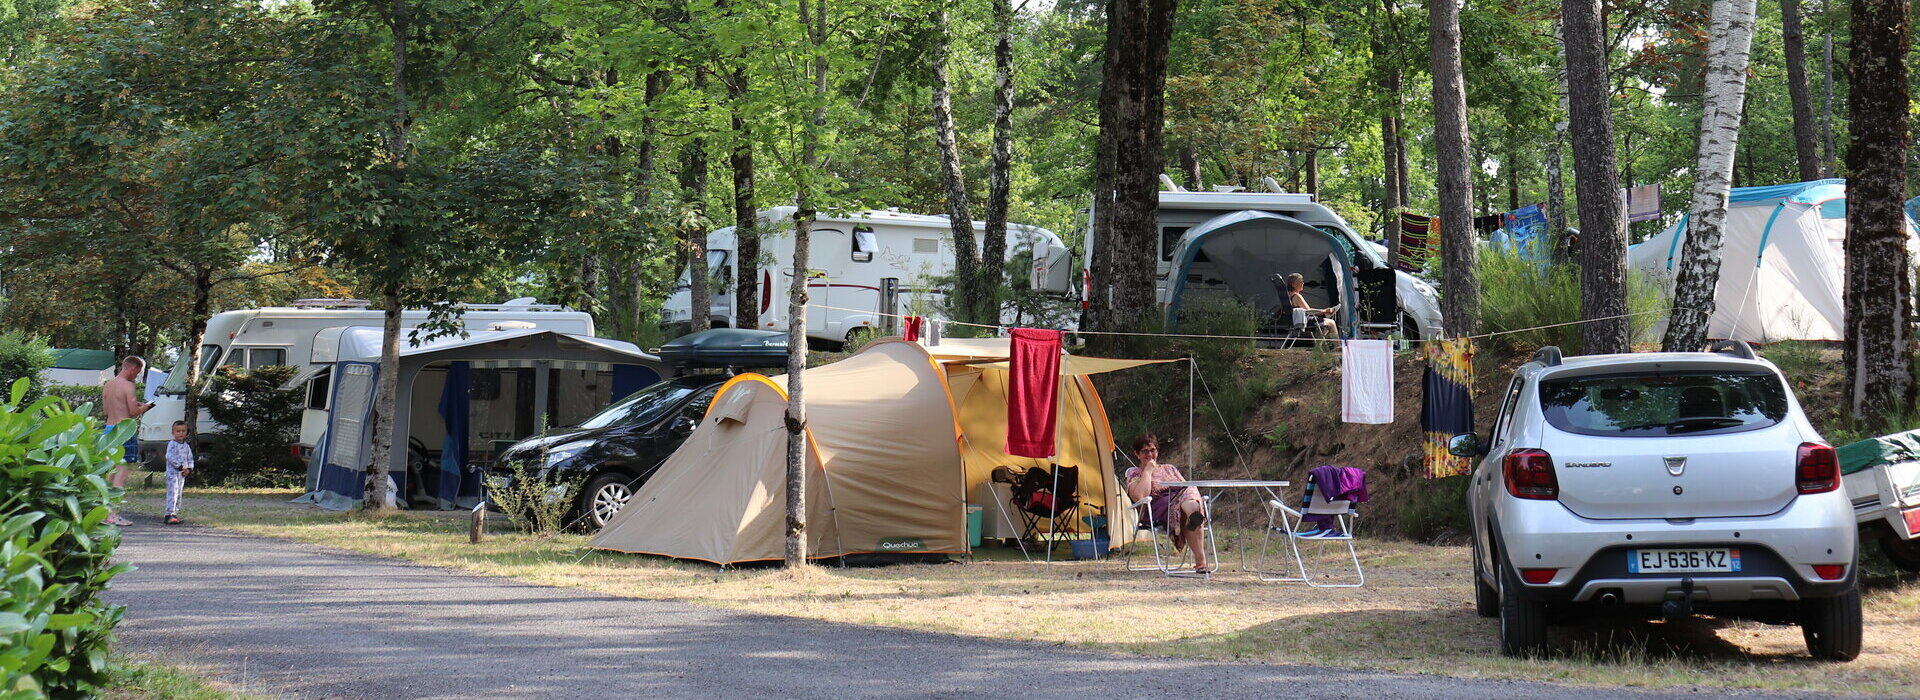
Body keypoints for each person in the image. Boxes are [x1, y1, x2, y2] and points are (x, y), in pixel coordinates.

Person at [1125, 434, 1211, 572]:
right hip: (1158, 511)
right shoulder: (1135, 473)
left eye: (1153, 450)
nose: (1150, 454)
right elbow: (1140, 496)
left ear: (1157, 451)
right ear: (1137, 454)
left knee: (1189, 493)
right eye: (1145, 451)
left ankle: (1193, 512)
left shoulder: (1169, 469)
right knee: (1190, 505)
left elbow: (1185, 487)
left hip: (1181, 502)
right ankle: (1194, 514)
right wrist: (1148, 471)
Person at [101, 356, 155, 527]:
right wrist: (146, 407)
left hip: (109, 431)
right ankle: (114, 515)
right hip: (123, 431)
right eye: (137, 372)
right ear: (132, 368)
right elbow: (132, 412)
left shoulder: (108, 384)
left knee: (110, 474)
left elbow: (106, 411)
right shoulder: (128, 385)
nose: (137, 376)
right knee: (121, 474)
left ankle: (104, 513)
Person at [163, 420, 195, 525]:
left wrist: (189, 469)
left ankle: (175, 513)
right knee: (173, 492)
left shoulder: (186, 446)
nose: (181, 433)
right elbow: (169, 457)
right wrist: (180, 466)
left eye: (183, 431)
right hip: (173, 474)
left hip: (182, 474)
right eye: (178, 431)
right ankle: (169, 514)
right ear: (173, 433)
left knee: (178, 493)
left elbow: (190, 458)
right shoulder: (172, 444)